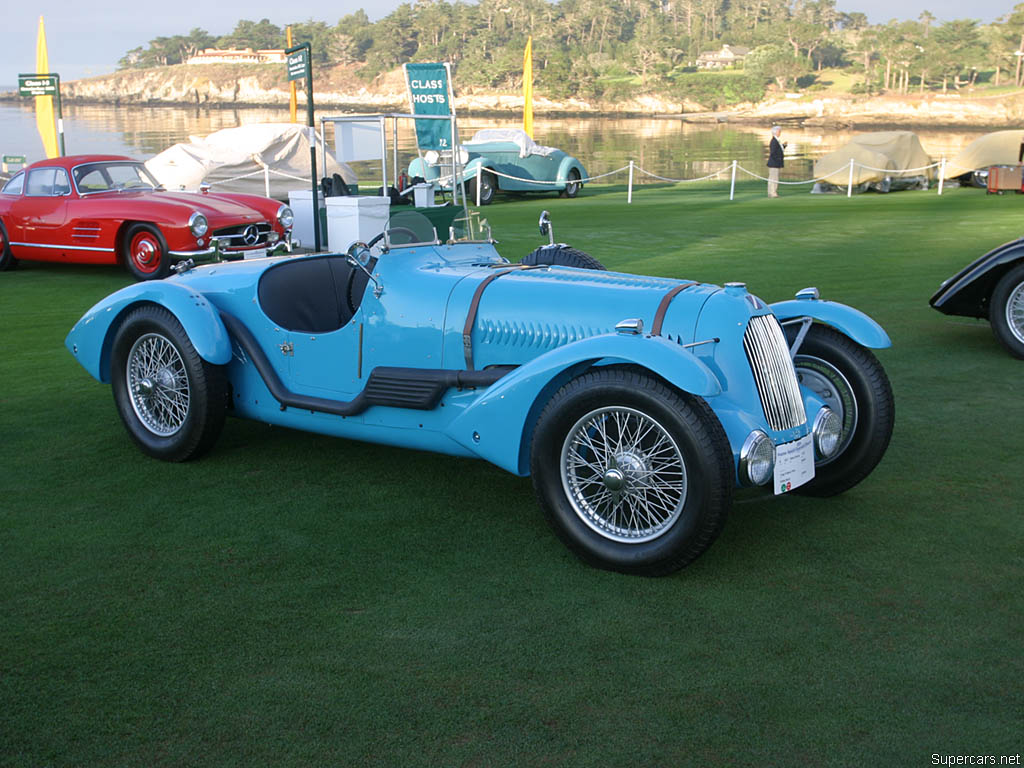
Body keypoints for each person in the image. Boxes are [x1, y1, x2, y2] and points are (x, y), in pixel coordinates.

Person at [767, 126, 786, 198]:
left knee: (775, 178)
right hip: (774, 163)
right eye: (779, 131)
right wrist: (778, 160)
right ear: (776, 132)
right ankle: (772, 193)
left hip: (775, 163)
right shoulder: (774, 141)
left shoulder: (777, 140)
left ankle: (772, 192)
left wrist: (784, 146)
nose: (780, 132)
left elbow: (778, 150)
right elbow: (773, 152)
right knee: (773, 178)